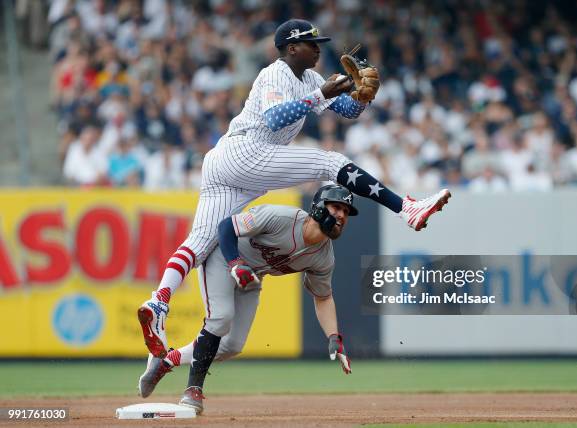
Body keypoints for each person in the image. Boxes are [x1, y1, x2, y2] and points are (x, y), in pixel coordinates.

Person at [137, 18, 451, 361]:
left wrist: (362, 97)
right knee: (330, 164)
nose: (318, 49)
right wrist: (322, 93)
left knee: (200, 240)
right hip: (246, 151)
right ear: (290, 48)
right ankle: (406, 208)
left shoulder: (311, 77)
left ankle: (159, 301)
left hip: (226, 166)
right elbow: (274, 119)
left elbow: (345, 110)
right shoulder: (276, 74)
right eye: (311, 44)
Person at [138, 185, 359, 413]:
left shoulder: (324, 257)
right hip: (224, 258)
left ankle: (165, 361)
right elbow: (226, 227)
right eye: (336, 207)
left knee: (232, 345)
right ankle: (193, 389)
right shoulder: (282, 217)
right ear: (318, 207)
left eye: (346, 211)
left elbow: (323, 297)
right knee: (221, 318)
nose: (342, 215)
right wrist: (235, 263)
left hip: (252, 276)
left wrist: (334, 336)